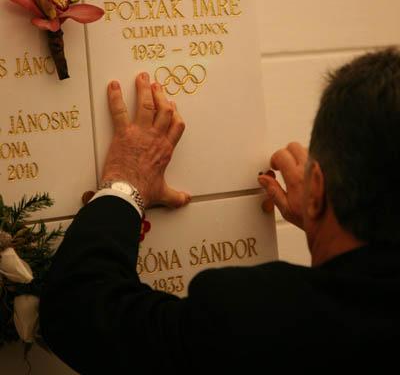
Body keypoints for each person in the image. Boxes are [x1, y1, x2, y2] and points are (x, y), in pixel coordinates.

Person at [40, 50, 400, 374]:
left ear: (316, 189)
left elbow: (79, 313)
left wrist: (125, 182)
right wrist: (324, 217)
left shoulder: (261, 318)